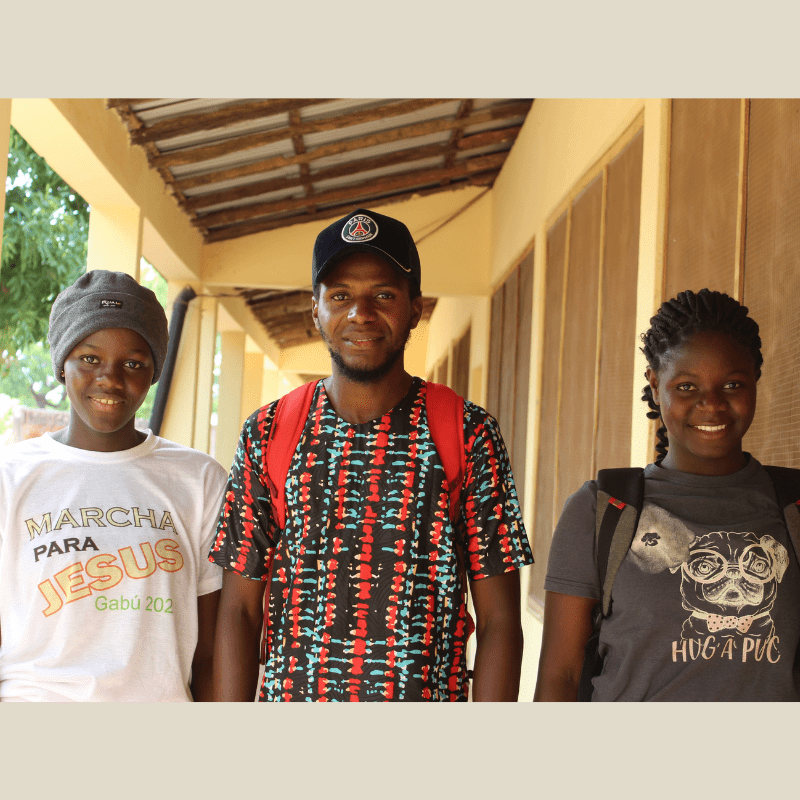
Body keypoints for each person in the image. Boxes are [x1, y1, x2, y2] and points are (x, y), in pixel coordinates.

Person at [209, 207, 534, 702]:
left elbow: (499, 621)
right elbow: (238, 610)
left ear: (414, 310)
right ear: (314, 310)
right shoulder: (269, 431)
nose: (361, 313)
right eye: (340, 296)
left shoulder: (468, 433)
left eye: (383, 294)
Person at [534, 288, 800, 701]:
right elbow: (560, 676)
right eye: (687, 386)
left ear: (754, 383)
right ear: (656, 387)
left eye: (732, 384)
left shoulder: (794, 508)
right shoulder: (601, 510)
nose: (711, 404)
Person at [0, 270, 226, 701]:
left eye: (134, 363)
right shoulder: (10, 476)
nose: (110, 378)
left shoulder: (199, 479)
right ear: (62, 365)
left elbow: (210, 650)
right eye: (89, 358)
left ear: (153, 372)